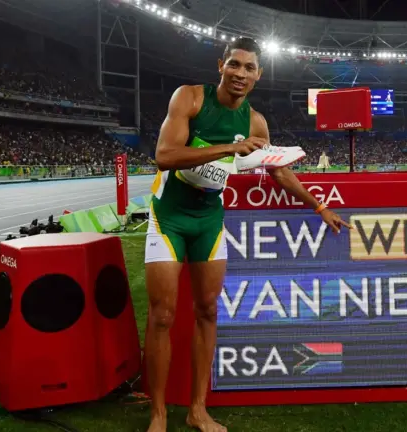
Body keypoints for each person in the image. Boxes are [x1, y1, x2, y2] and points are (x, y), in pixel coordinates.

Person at [144, 37, 352, 432]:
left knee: (207, 310)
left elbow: (278, 171)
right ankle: (157, 414)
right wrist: (230, 148)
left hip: (208, 220)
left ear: (259, 75)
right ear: (221, 65)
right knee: (162, 315)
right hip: (168, 217)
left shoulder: (256, 122)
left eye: (249, 68)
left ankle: (197, 410)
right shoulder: (189, 98)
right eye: (235, 65)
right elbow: (165, 156)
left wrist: (318, 205)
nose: (240, 74)